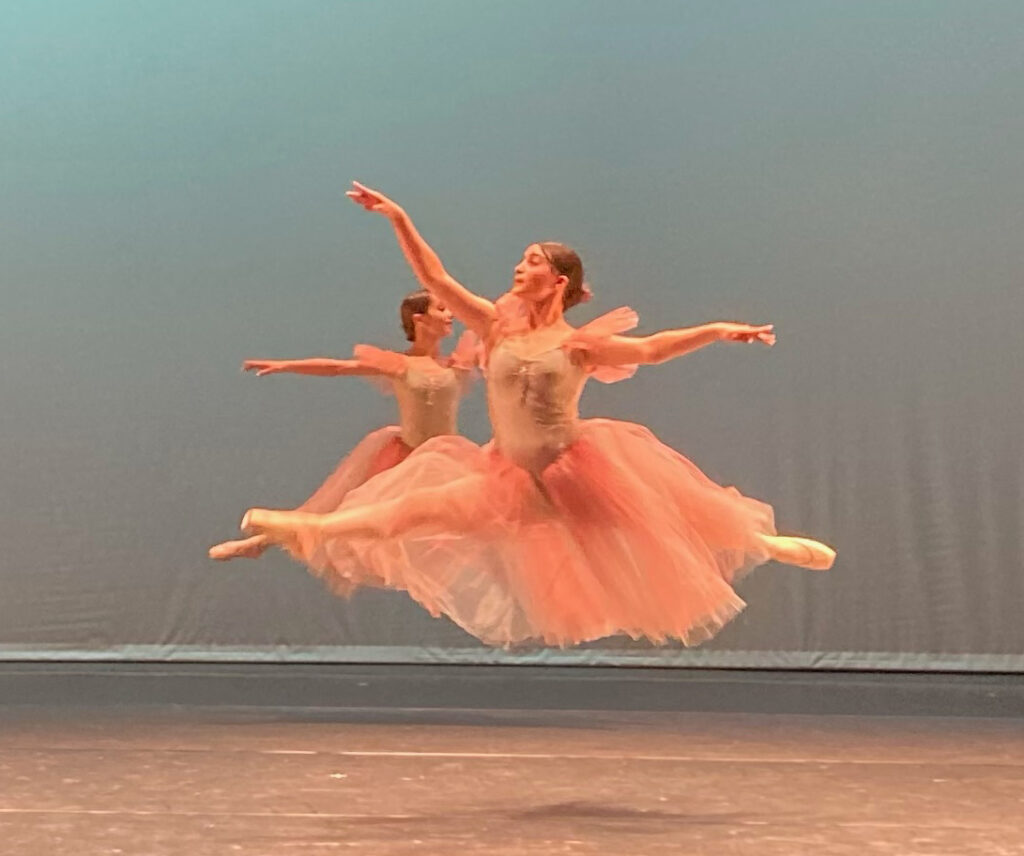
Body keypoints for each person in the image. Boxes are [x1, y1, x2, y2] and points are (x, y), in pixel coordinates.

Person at [241, 182, 835, 646]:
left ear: (558, 279)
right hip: (507, 475)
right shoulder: (493, 326)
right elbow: (435, 278)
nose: (518, 268)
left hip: (573, 466)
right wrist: (398, 218)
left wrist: (714, 330)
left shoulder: (578, 345)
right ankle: (309, 528)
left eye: (529, 261)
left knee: (659, 517)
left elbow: (651, 349)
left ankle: (766, 542)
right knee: (408, 510)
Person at [208, 289, 474, 591]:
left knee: (492, 515)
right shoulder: (399, 364)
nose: (450, 315)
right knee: (340, 514)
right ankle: (262, 541)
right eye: (442, 309)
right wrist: (286, 365)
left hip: (448, 460)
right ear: (420, 319)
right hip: (409, 458)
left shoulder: (457, 363)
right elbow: (338, 368)